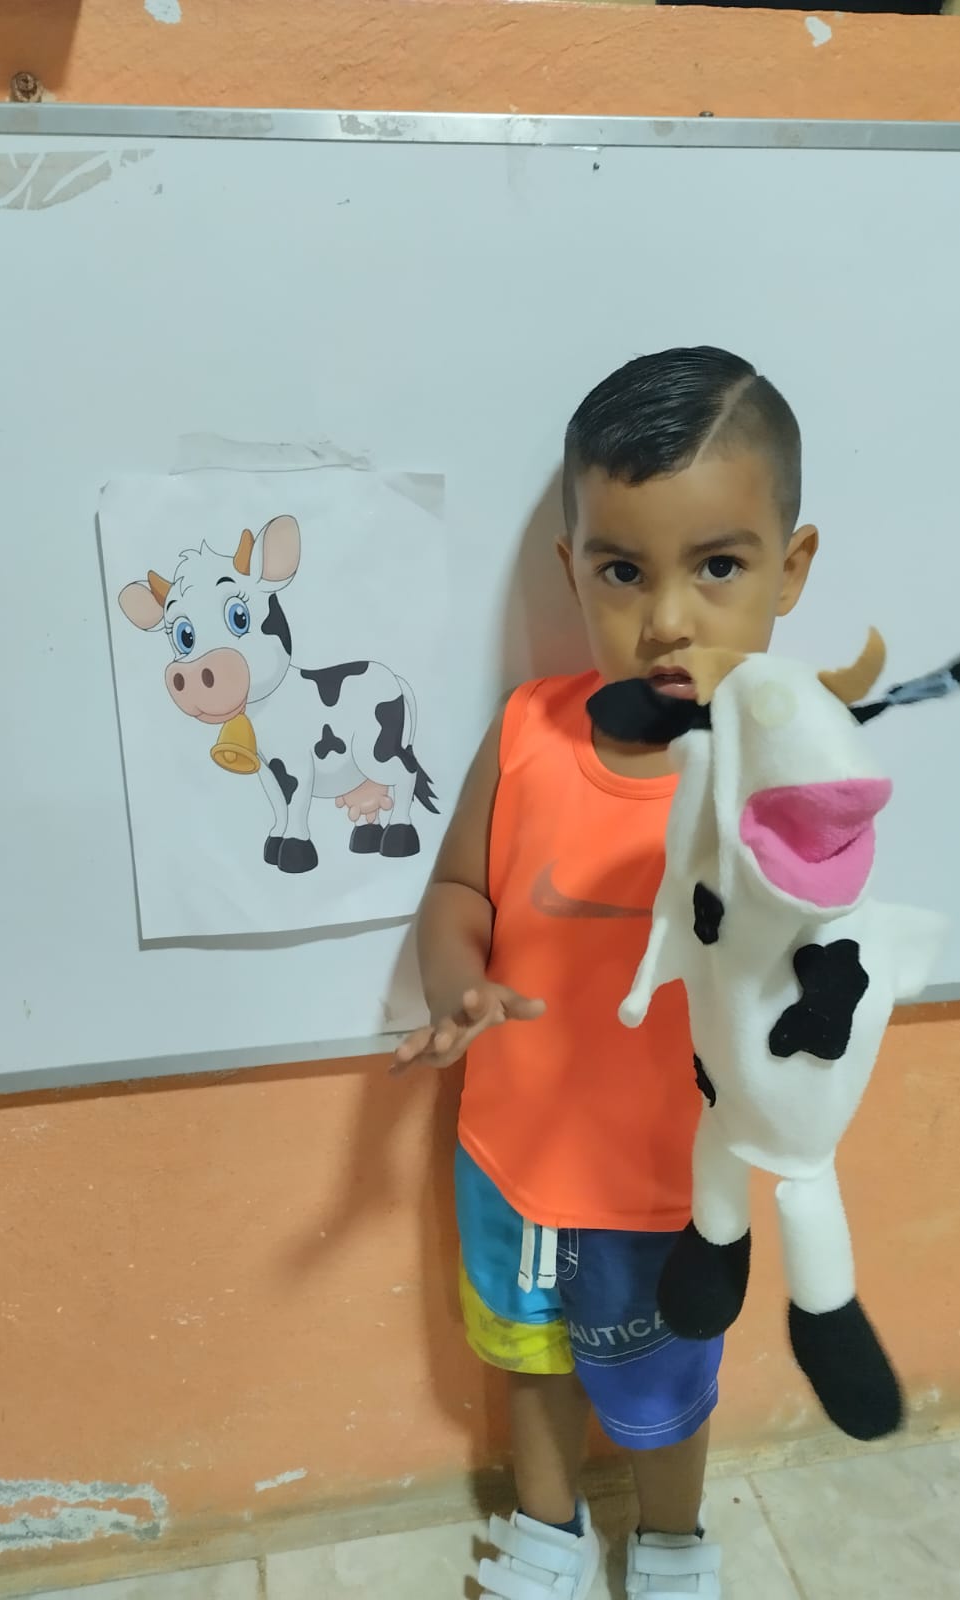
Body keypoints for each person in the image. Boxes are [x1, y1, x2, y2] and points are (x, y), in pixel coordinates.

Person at [393, 346, 817, 1599]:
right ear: (572, 567)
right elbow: (458, 891)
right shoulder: (528, 731)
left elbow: (813, 961)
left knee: (666, 1386)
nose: (666, 617)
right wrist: (457, 982)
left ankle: (674, 1540)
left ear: (789, 571)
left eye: (717, 566)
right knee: (531, 1364)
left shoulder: (786, 769)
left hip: (668, 1184)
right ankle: (548, 1529)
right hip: (515, 1156)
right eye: (623, 570)